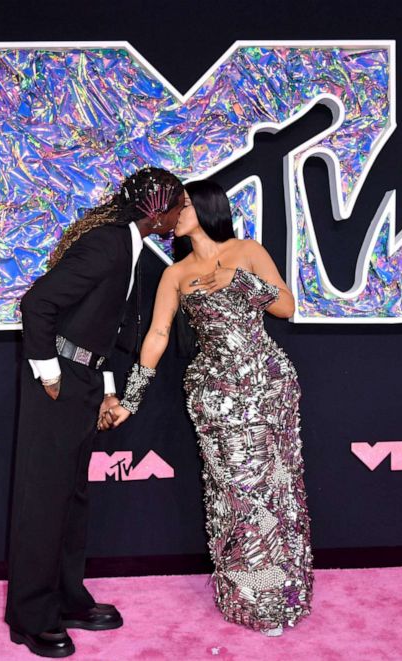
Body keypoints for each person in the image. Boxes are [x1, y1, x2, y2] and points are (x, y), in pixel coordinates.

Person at [102, 179, 315, 636]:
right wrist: (132, 398)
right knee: (233, 494)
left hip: (266, 386)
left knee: (273, 493)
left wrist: (240, 281)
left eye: (180, 206)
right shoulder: (174, 275)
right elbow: (157, 336)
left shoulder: (247, 250)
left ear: (203, 206)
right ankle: (244, 597)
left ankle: (281, 597)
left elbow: (287, 307)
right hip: (216, 395)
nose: (173, 215)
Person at [5, 166, 185, 658]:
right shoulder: (109, 244)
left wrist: (105, 387)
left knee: (73, 496)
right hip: (58, 380)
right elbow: (37, 302)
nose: (182, 214)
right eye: (180, 205)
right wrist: (48, 372)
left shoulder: (127, 247)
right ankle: (30, 616)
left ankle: (66, 598)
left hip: (84, 378)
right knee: (44, 499)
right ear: (158, 210)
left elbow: (97, 328)